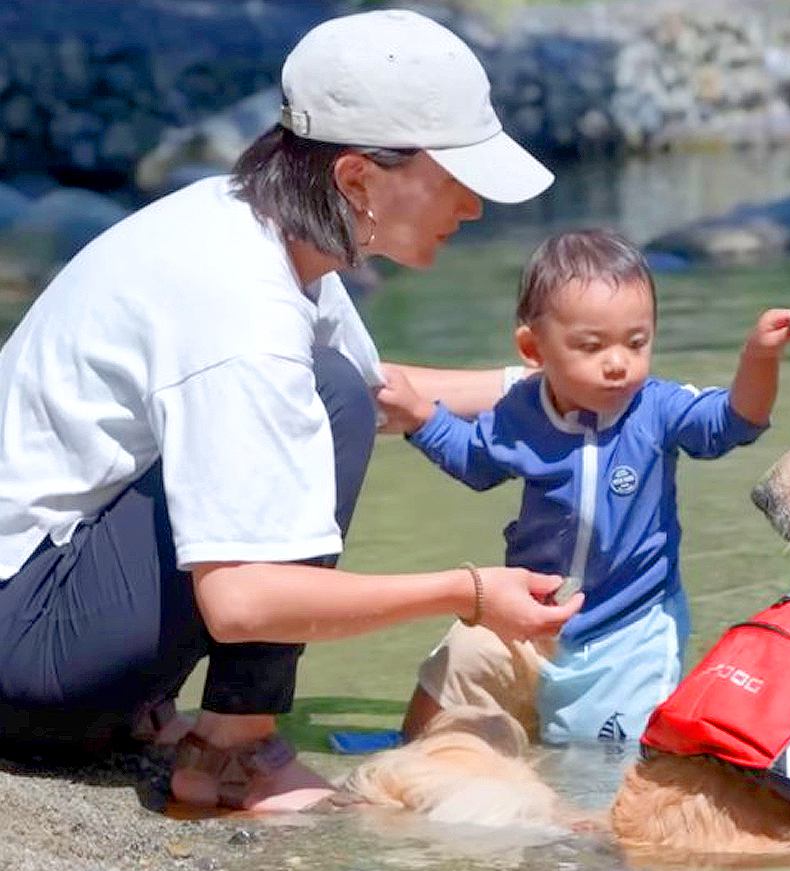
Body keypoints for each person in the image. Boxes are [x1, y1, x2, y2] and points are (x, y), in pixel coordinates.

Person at [0, 9, 583, 812]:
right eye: (458, 180)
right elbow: (241, 602)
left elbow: (387, 396)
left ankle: (212, 740)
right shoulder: (239, 303)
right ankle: (237, 752)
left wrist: (582, 385)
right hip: (23, 651)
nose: (476, 208)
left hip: (39, 613)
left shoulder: (257, 223)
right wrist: (470, 591)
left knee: (338, 387)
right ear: (355, 178)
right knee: (328, 391)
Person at [387, 229, 790, 745]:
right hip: (531, 610)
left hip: (629, 629)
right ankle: (409, 757)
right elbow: (476, 461)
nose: (618, 362)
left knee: (602, 761)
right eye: (591, 346)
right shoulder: (524, 412)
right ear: (533, 348)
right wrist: (420, 418)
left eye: (637, 343)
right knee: (456, 666)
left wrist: (758, 359)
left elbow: (731, 422)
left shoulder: (656, 409)